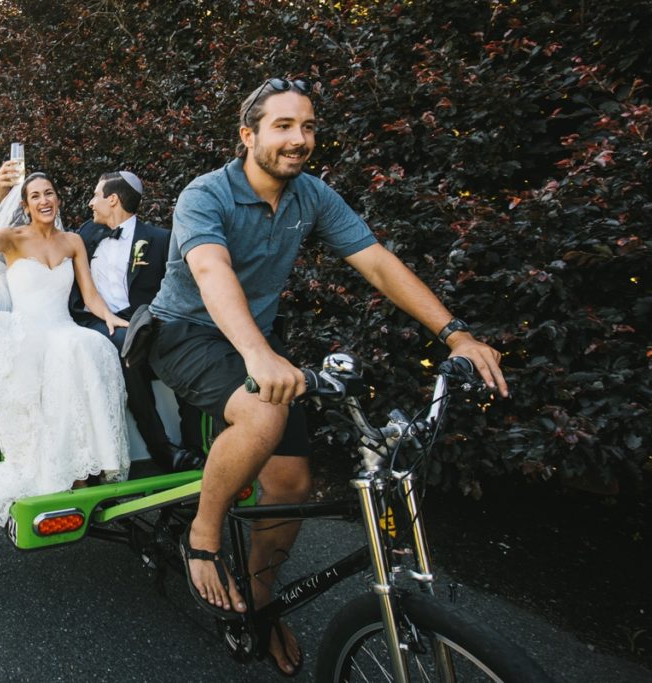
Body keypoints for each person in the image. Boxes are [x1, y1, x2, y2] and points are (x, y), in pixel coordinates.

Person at [147, 78, 509, 675]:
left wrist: (457, 335)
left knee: (290, 483)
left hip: (256, 338)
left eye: (308, 126)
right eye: (283, 126)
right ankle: (203, 539)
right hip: (186, 332)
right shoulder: (205, 194)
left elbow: (379, 263)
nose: (299, 139)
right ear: (249, 135)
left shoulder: (311, 196)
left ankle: (261, 600)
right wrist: (259, 357)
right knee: (263, 410)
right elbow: (211, 272)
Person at [0, 167, 131, 527]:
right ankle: (67, 473)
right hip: (26, 334)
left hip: (63, 328)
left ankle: (88, 468)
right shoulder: (13, 238)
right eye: (36, 196)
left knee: (89, 345)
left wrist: (111, 318)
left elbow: (90, 296)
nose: (45, 200)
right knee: (69, 350)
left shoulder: (73, 241)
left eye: (50, 193)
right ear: (26, 206)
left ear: (58, 199)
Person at [71, 171, 202, 472]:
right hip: (99, 321)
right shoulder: (84, 236)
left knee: (189, 351)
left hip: (148, 319)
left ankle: (195, 449)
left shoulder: (160, 239)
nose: (91, 202)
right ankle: (161, 450)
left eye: (96, 195)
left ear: (113, 199)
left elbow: (176, 287)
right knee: (126, 350)